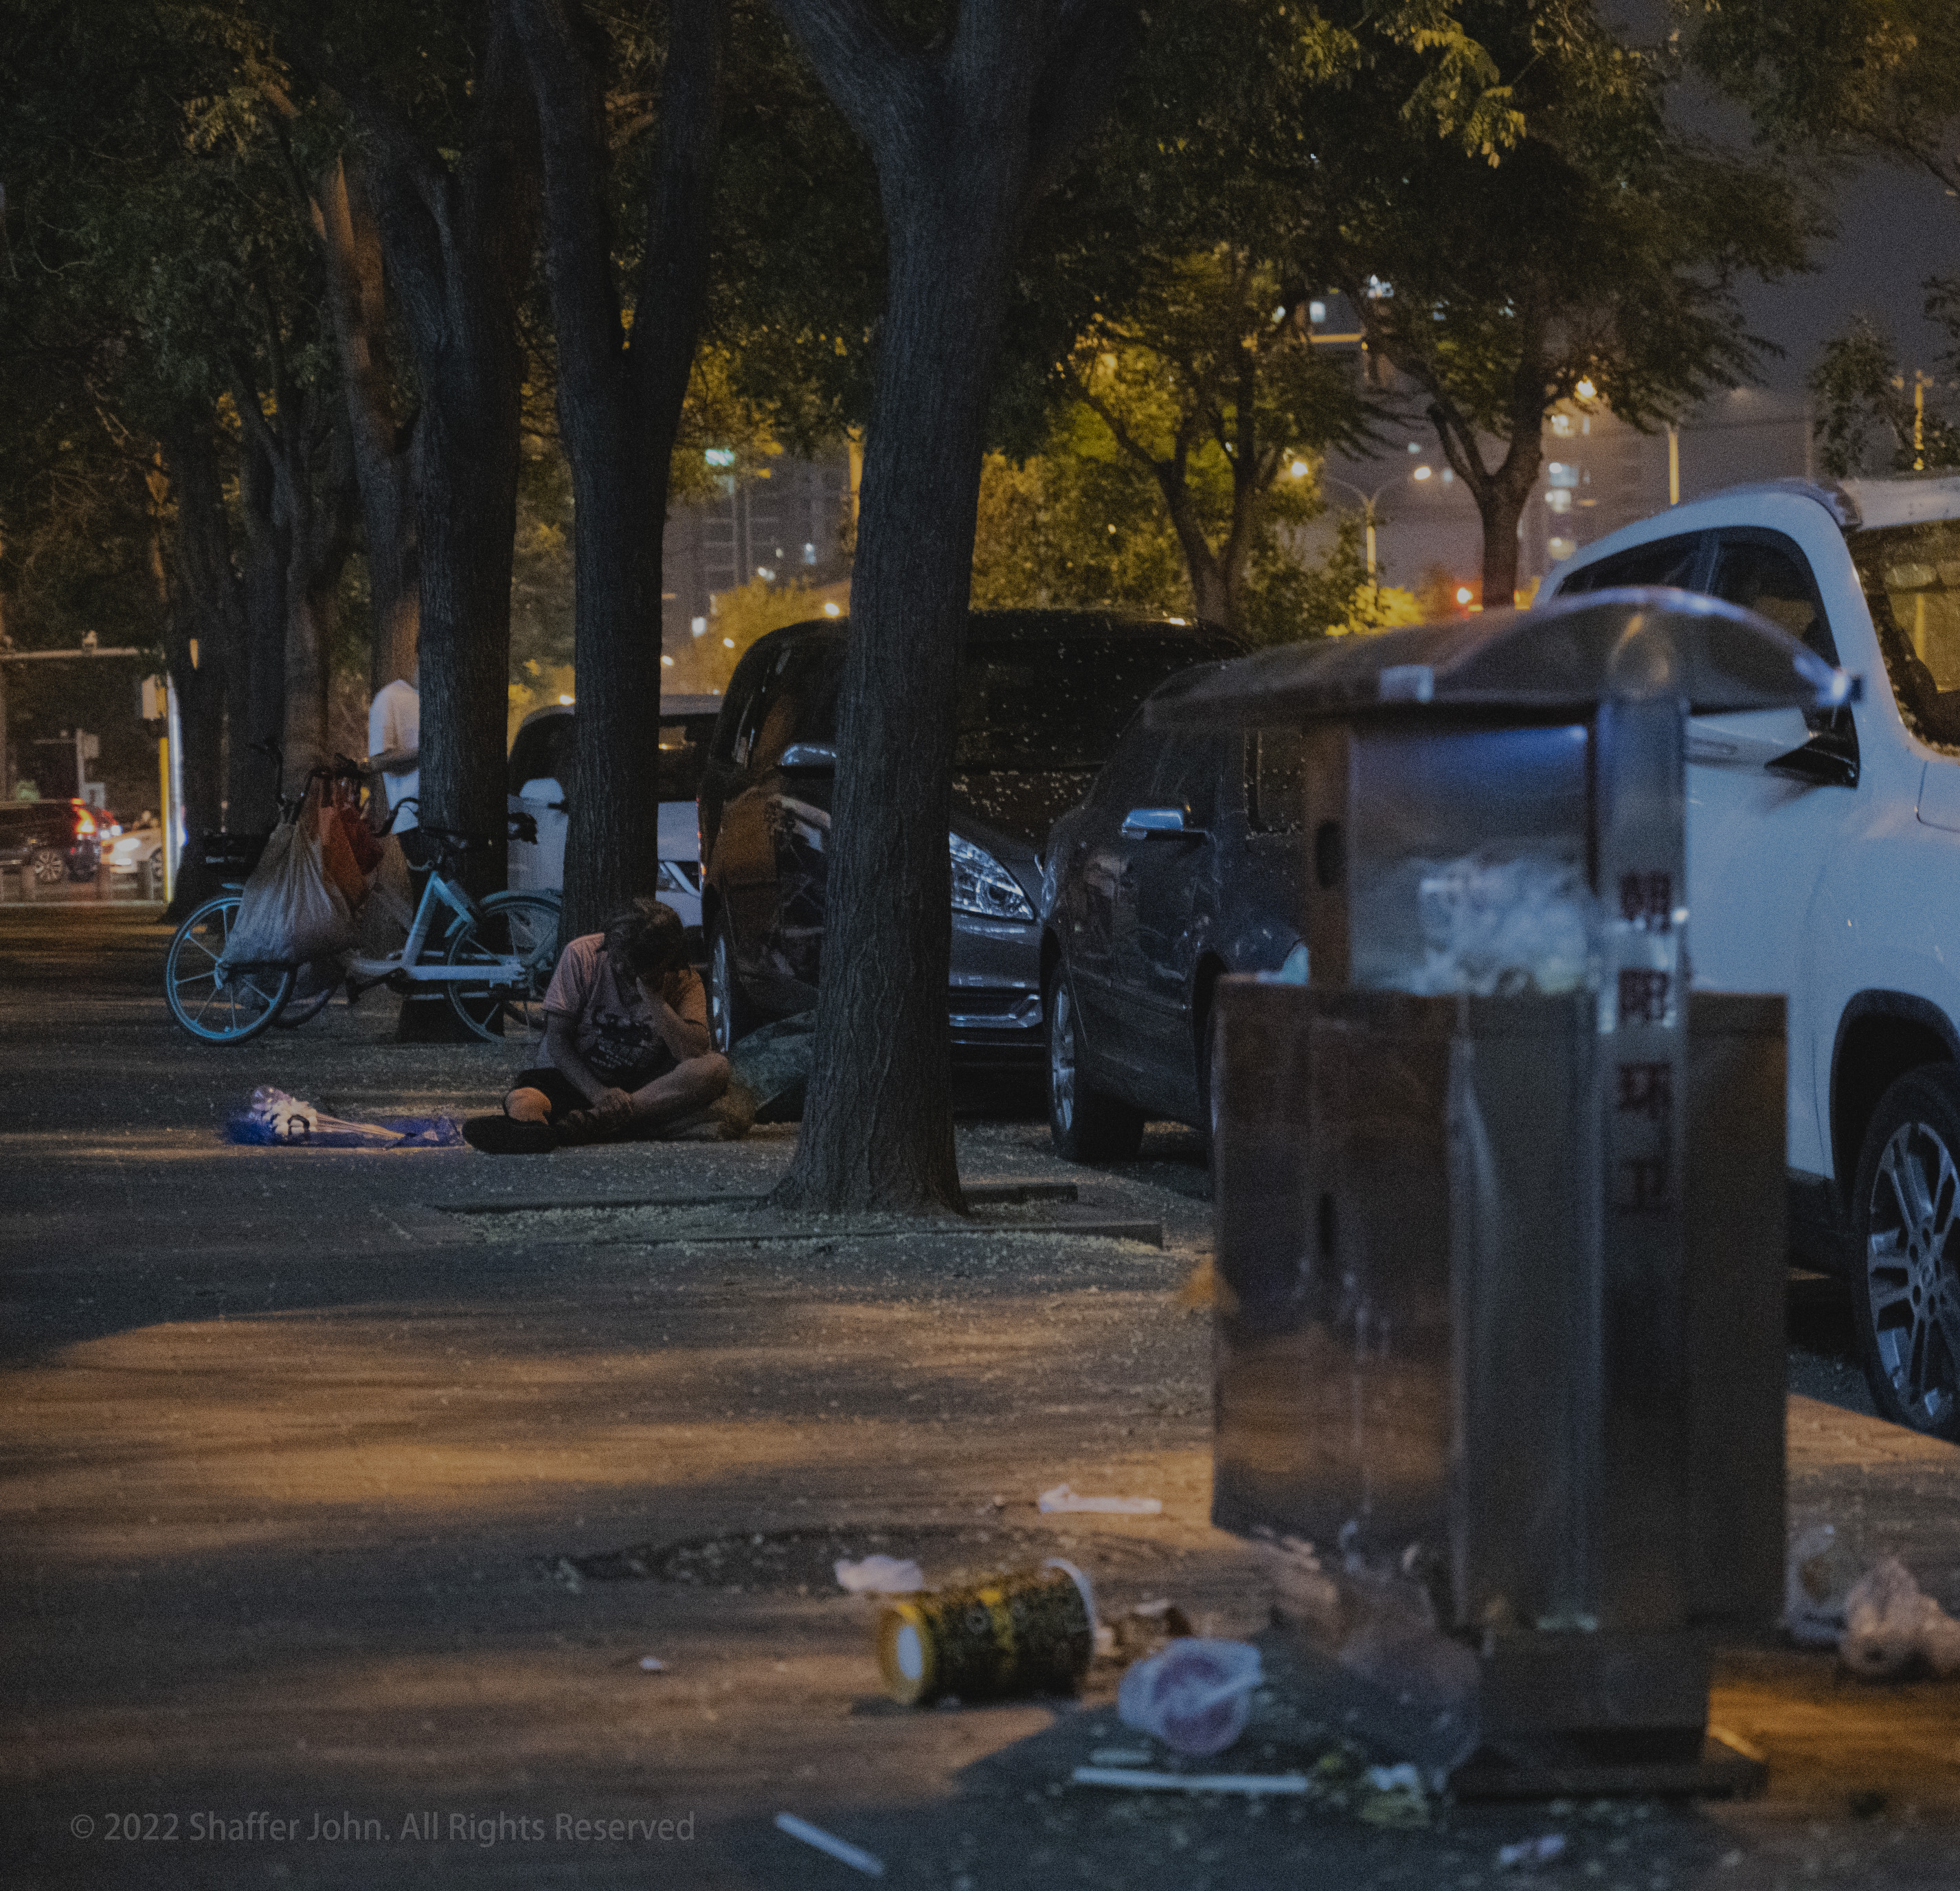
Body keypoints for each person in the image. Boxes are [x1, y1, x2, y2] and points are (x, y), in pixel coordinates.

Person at [462, 899, 734, 1154]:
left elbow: (692, 1053)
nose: (616, 966)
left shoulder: (686, 981)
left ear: (664, 962)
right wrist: (598, 1093)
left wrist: (654, 998)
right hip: (575, 1079)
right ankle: (535, 1130)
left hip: (640, 1091)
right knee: (524, 1098)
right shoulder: (581, 954)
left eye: (630, 967)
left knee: (715, 1069)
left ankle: (585, 1125)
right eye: (614, 957)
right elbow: (557, 1039)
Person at [365, 659, 420, 833]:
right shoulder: (391, 697)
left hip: (450, 815)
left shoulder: (444, 698)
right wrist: (425, 752)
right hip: (412, 820)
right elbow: (378, 761)